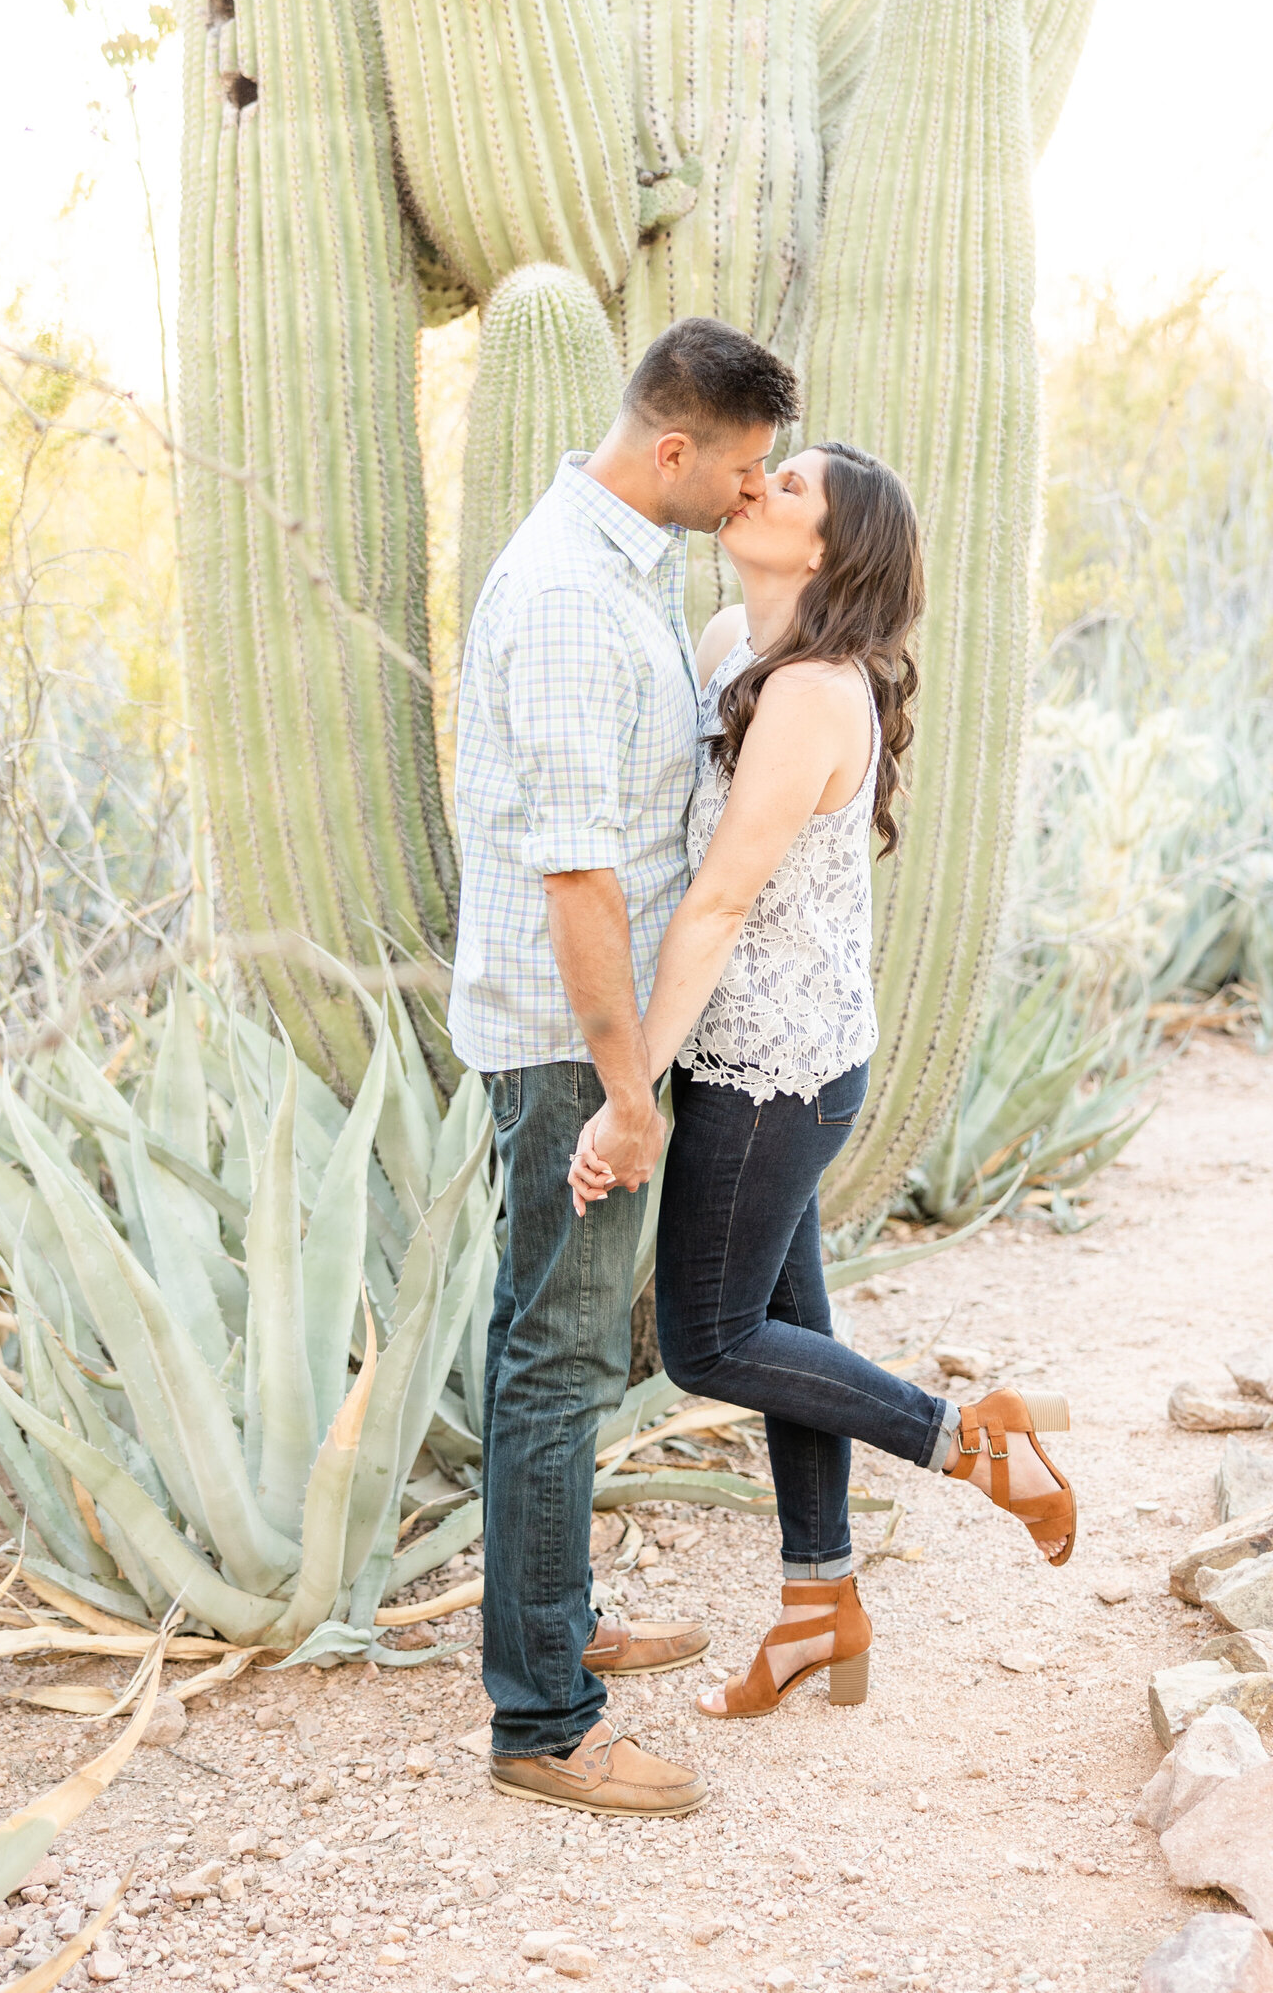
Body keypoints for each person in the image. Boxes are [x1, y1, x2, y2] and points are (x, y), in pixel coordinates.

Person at [571, 440, 1075, 1720]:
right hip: (764, 1051)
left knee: (713, 1340)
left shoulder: (811, 693)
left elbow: (723, 895)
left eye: (792, 487)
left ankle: (968, 1436)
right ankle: (818, 1607)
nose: (760, 486)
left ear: (828, 550)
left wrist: (631, 1087)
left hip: (771, 1072)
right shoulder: (721, 643)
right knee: (790, 1337)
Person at [449, 316, 801, 1813]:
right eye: (744, 468)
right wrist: (629, 1091)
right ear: (675, 450)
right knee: (561, 1354)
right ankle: (543, 1721)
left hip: (575, 1036)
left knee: (553, 1334)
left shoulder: (610, 562)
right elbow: (580, 881)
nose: (749, 494)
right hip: (567, 1045)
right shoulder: (577, 603)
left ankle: (556, 1618)